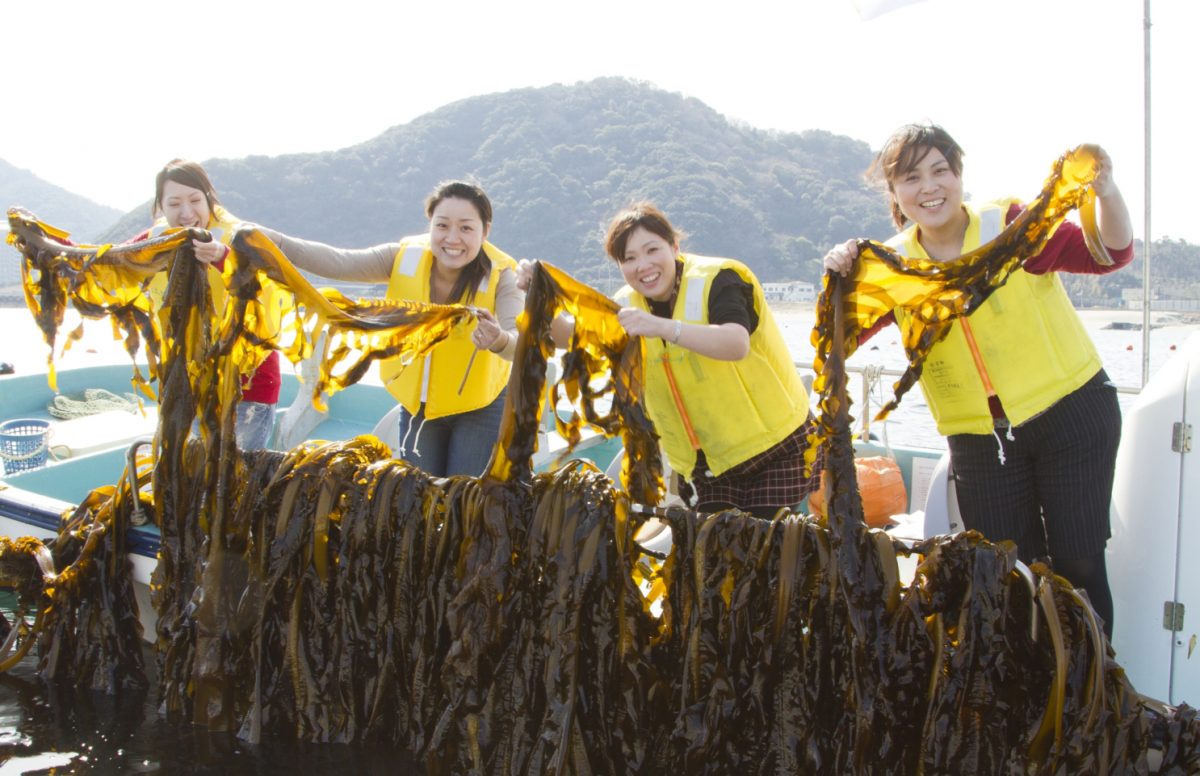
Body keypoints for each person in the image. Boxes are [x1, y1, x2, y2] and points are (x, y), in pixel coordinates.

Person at [823, 124, 1134, 635]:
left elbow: (1110, 253)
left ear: (959, 174)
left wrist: (1106, 190)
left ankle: (1093, 701)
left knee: (1078, 566)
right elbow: (837, 340)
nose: (929, 187)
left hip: (1071, 414)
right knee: (1008, 578)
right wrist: (839, 276)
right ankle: (1033, 697)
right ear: (895, 193)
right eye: (912, 177)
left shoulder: (1007, 225)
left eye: (940, 170)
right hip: (979, 441)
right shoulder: (893, 267)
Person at [523, 203, 822, 519]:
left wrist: (663, 327)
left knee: (764, 548)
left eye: (652, 250)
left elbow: (736, 343)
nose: (643, 265)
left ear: (674, 246)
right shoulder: (625, 305)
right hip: (708, 463)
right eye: (629, 258)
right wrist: (538, 295)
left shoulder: (721, 279)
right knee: (716, 554)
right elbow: (570, 337)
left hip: (777, 446)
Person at [258, 180, 520, 478]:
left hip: (479, 407)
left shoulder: (502, 275)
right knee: (418, 494)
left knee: (464, 499)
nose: (452, 238)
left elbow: (518, 339)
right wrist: (278, 242)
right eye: (442, 225)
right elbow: (341, 262)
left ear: (485, 231)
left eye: (466, 228)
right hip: (419, 406)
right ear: (430, 226)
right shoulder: (403, 257)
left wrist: (498, 339)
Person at [137, 159, 281, 450]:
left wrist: (224, 258)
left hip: (247, 387)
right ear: (161, 207)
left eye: (195, 200)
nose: (186, 213)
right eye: (175, 203)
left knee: (237, 480)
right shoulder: (153, 241)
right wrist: (52, 247)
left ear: (209, 199)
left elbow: (272, 286)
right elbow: (108, 264)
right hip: (186, 383)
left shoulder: (240, 237)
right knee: (187, 473)